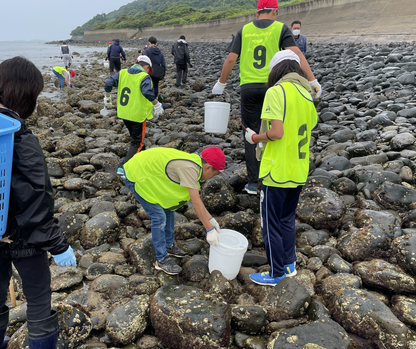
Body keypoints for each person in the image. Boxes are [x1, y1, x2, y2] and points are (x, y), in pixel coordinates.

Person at [0, 56, 78, 349]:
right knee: (37, 297)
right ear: (27, 97)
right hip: (24, 237)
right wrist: (58, 245)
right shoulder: (22, 139)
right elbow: (36, 202)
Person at [211, 0, 321, 196]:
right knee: (276, 130)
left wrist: (221, 83)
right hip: (275, 87)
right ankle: (276, 175)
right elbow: (297, 55)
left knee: (251, 134)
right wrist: (312, 80)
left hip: (249, 88)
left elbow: (230, 59)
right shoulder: (281, 29)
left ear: (256, 13)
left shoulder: (243, 30)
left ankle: (253, 183)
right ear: (275, 11)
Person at [244, 50, 318, 286]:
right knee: (287, 219)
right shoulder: (306, 94)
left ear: (275, 71)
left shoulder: (276, 92)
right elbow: (310, 125)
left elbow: (276, 133)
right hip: (298, 169)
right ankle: (289, 264)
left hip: (276, 171)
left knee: (270, 223)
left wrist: (255, 138)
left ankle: (275, 273)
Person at [122, 147, 225, 275]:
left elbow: (197, 202)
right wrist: (209, 229)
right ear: (208, 167)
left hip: (148, 172)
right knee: (159, 217)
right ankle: (161, 259)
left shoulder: (196, 163)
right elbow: (196, 203)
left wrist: (210, 219)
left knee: (169, 207)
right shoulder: (190, 169)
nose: (210, 178)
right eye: (214, 175)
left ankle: (169, 245)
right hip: (136, 174)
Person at [104, 55, 164, 174]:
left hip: (124, 112)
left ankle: (141, 159)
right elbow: (146, 91)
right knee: (137, 142)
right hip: (137, 115)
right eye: (148, 69)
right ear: (146, 66)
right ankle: (124, 168)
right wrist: (156, 104)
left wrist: (107, 97)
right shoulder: (143, 76)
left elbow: (108, 82)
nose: (148, 71)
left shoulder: (123, 73)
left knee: (135, 137)